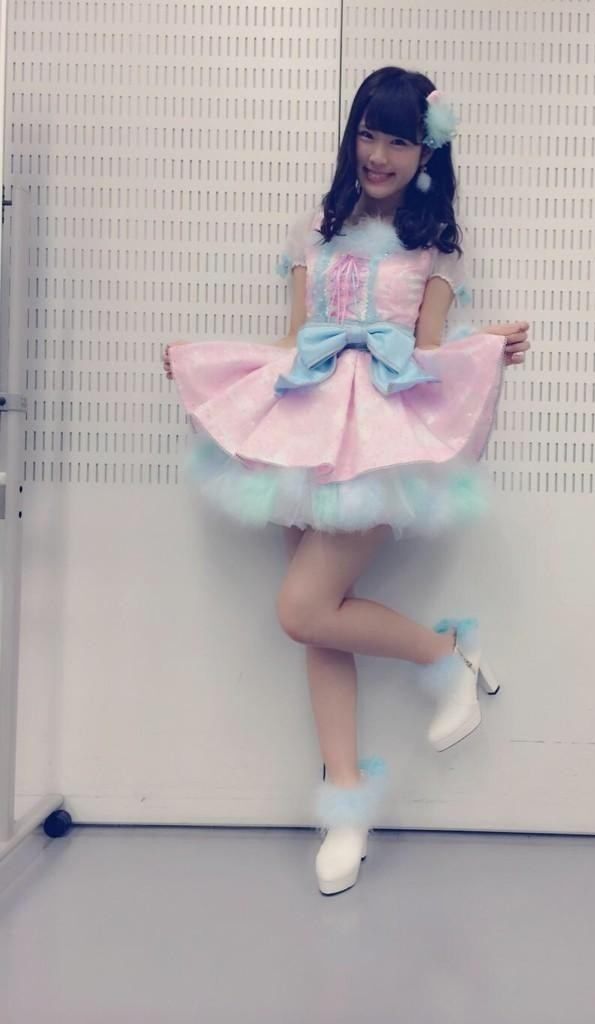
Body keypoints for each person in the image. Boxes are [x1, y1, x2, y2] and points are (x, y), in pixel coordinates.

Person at [163, 66, 531, 896]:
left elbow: (429, 348)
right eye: (368, 133)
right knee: (318, 624)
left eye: (398, 139)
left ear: (426, 151)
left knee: (301, 608)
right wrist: (203, 365)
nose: (378, 154)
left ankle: (447, 658)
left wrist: (486, 346)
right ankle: (346, 804)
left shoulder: (436, 243)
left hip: (382, 434)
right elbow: (295, 339)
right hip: (305, 422)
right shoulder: (316, 225)